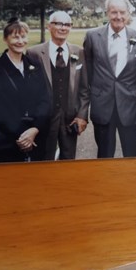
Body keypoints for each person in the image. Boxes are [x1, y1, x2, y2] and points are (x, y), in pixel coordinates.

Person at [84, 0, 136, 158]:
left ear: (128, 14)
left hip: (130, 106)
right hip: (103, 105)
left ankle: (131, 183)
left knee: (132, 154)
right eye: (113, 12)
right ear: (107, 13)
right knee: (104, 155)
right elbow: (88, 70)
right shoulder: (92, 36)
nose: (118, 16)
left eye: (122, 12)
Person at [0, 18, 50, 163]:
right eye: (15, 37)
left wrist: (35, 129)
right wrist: (23, 137)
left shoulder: (35, 65)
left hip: (34, 136)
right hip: (5, 140)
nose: (20, 41)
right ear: (5, 39)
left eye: (23, 36)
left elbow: (45, 99)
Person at [27, 10, 89, 160]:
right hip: (45, 119)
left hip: (70, 118)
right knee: (42, 160)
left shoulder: (78, 52)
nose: (63, 28)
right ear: (49, 26)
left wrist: (82, 116)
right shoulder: (34, 53)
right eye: (58, 23)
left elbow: (84, 89)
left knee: (68, 160)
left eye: (67, 24)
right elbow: (28, 90)